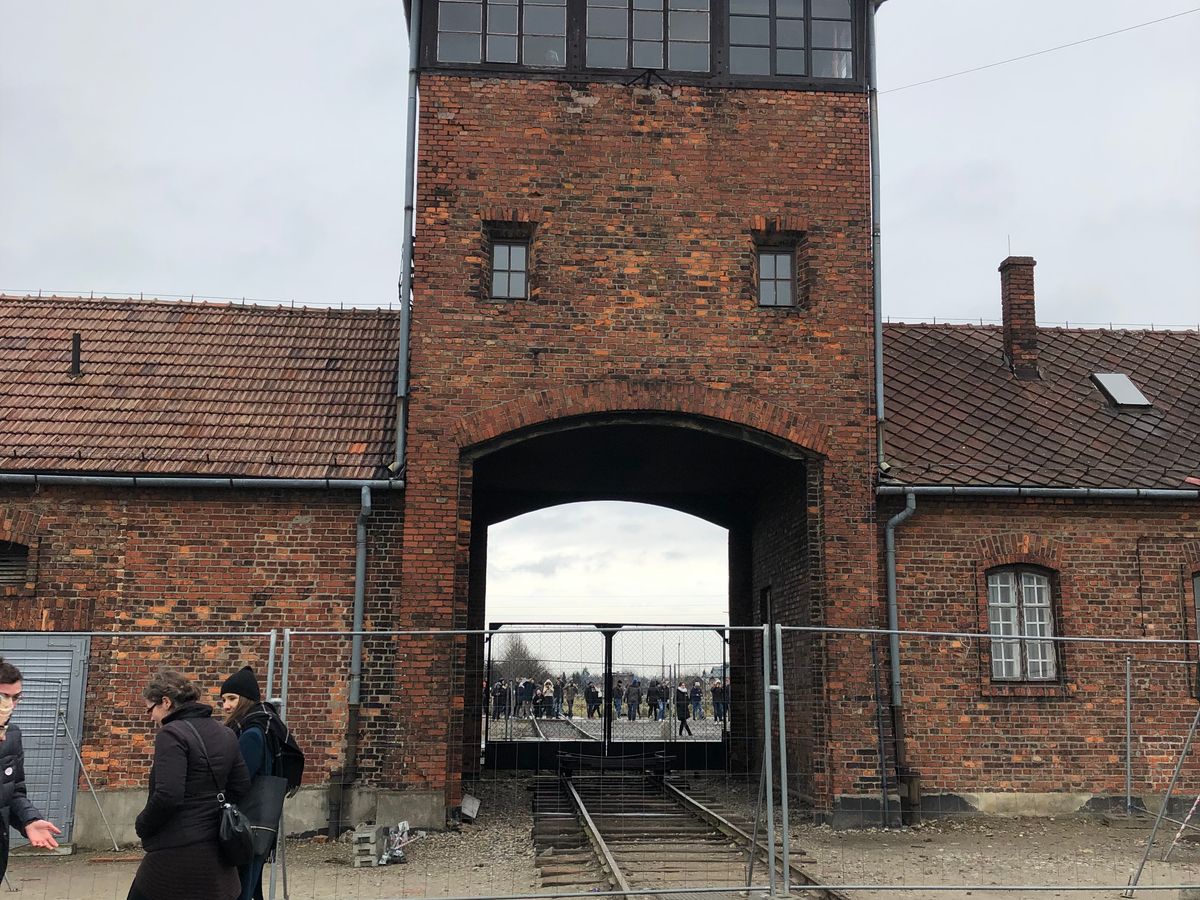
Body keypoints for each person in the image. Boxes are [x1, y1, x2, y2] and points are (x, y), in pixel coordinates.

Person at [130, 669, 251, 900]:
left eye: (150, 709)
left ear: (166, 702)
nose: (151, 717)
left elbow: (169, 794)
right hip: (218, 856)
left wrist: (142, 824)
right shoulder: (225, 733)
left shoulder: (171, 734)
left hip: (174, 854)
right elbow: (241, 785)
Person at [220, 666, 279, 900]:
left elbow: (239, 780)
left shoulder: (252, 733)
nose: (226, 706)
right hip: (252, 823)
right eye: (223, 700)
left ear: (246, 699)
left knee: (242, 888)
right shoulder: (259, 726)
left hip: (245, 824)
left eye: (231, 698)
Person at [0, 657, 61, 885]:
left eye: (16, 697)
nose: (10, 705)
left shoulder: (11, 735)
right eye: (3, 696)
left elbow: (13, 790)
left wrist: (29, 819)